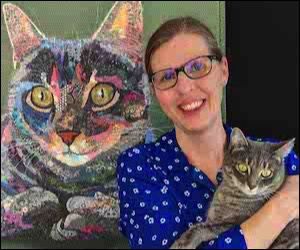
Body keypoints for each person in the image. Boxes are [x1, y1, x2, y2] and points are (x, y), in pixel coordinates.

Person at [117, 17, 299, 249]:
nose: (184, 87)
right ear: (154, 91)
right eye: (166, 76)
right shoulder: (139, 167)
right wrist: (282, 206)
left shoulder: (282, 158)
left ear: (223, 71)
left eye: (197, 67)